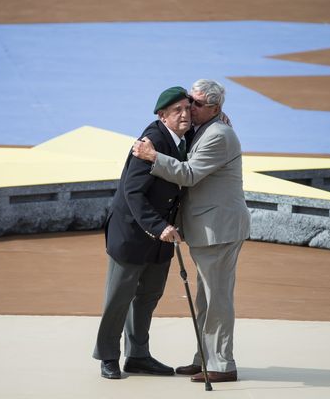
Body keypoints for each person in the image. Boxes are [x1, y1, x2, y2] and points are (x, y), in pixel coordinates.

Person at [132, 79, 251, 383]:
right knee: (206, 299)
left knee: (218, 299)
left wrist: (153, 157)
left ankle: (222, 364)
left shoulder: (219, 135)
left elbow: (190, 174)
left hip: (219, 230)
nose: (189, 108)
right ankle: (204, 358)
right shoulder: (207, 128)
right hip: (208, 229)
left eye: (196, 104)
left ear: (214, 108)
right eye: (187, 101)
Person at [92, 86, 190, 379]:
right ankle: (108, 356)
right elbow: (132, 192)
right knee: (119, 297)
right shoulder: (150, 141)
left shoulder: (183, 137)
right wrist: (160, 227)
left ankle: (137, 356)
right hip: (134, 235)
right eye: (177, 111)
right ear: (162, 115)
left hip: (161, 238)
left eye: (187, 108)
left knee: (148, 295)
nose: (185, 114)